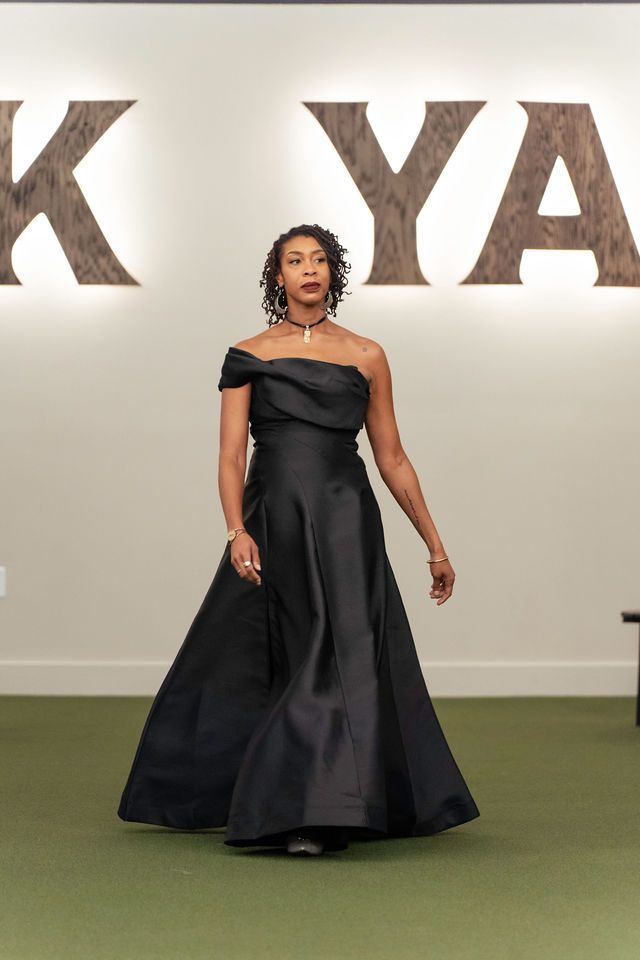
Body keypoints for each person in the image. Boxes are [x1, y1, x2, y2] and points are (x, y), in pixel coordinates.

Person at [117, 223, 480, 856]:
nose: (308, 269)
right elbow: (231, 456)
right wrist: (236, 530)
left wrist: (435, 543)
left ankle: (328, 808)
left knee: (348, 656)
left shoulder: (367, 354)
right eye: (294, 260)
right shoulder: (247, 353)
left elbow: (392, 456)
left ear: (332, 273)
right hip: (274, 516)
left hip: (347, 519)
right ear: (277, 276)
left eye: (318, 260)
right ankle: (303, 806)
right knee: (295, 654)